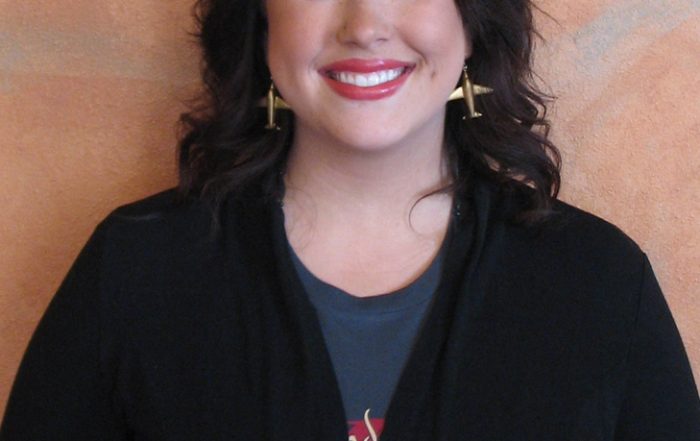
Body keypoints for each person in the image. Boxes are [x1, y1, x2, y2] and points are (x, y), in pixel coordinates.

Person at [1, 0, 699, 439]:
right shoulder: (136, 269)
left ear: (472, 21)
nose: (364, 25)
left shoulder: (599, 283)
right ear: (261, 18)